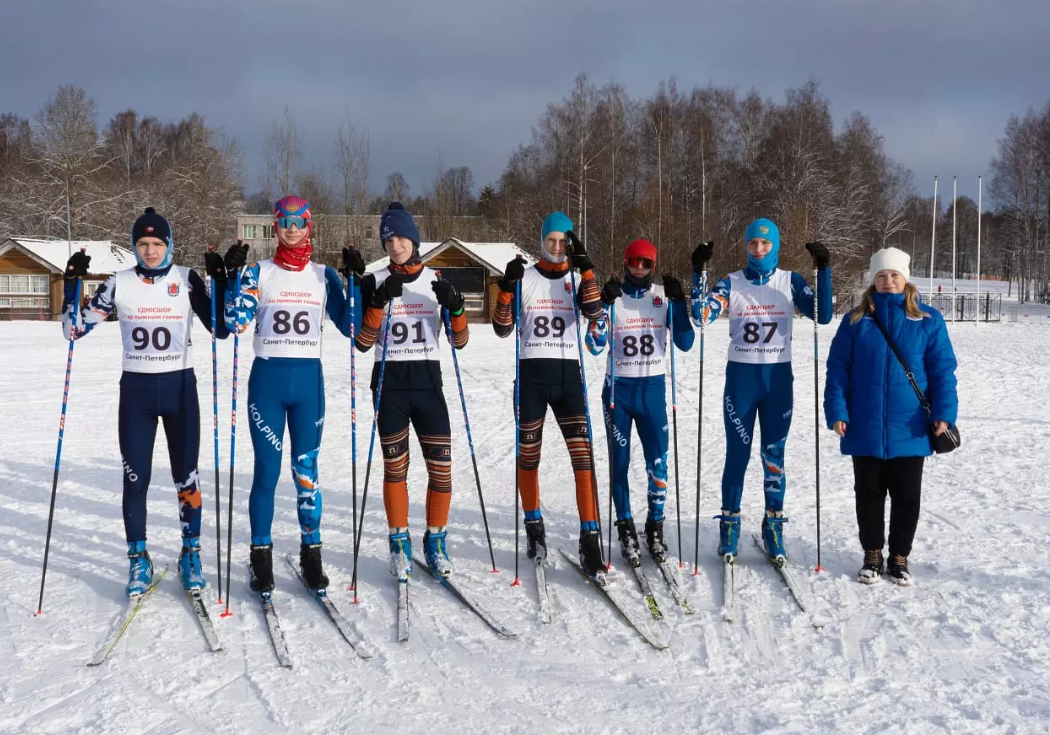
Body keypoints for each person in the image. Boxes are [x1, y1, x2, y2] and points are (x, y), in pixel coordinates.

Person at [61, 207, 228, 596]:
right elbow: (73, 329)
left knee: (186, 476)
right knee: (135, 478)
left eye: (157, 243)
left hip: (180, 390)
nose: (150, 251)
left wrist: (222, 280)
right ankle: (138, 560)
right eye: (142, 244)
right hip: (136, 393)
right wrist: (72, 284)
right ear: (134, 247)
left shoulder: (186, 279)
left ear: (169, 244)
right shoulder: (118, 283)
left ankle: (191, 554)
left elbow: (220, 327)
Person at [222, 195, 359, 592]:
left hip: (307, 385)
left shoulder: (323, 275)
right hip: (267, 382)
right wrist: (232, 277)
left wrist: (355, 283)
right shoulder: (258, 272)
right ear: (275, 226)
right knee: (266, 470)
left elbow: (352, 328)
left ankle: (310, 552)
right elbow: (236, 323)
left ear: (309, 226)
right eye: (286, 222)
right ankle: (260, 556)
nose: (293, 229)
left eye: (300, 222)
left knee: (307, 473)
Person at [690, 219, 832, 564]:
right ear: (746, 246)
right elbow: (700, 316)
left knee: (774, 456)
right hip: (741, 381)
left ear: (776, 245)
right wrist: (698, 273)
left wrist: (823, 270)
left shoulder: (791, 281)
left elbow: (823, 315)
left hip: (777, 382)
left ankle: (773, 526)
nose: (759, 249)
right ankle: (730, 523)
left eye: (765, 244)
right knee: (736, 454)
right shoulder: (732, 282)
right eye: (753, 243)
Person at [824, 247, 958, 586]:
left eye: (894, 275)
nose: (888, 281)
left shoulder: (928, 320)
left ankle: (899, 557)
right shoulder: (855, 321)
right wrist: (837, 410)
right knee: (867, 494)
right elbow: (837, 370)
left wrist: (944, 412)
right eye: (881, 275)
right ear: (873, 280)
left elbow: (943, 371)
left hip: (909, 426)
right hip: (864, 424)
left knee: (907, 496)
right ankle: (872, 554)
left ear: (905, 278)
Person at [353, 202, 469, 579]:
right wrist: (376, 301)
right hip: (390, 386)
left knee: (441, 470)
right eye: (389, 238)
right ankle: (398, 544)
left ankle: (435, 541)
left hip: (427, 384)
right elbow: (363, 342)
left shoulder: (435, 280)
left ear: (414, 239)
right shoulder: (373, 279)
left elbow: (460, 340)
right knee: (396, 469)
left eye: (401, 236)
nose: (395, 244)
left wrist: (455, 307)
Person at [492, 212, 605, 576]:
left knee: (583, 460)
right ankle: (534, 528)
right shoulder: (526, 278)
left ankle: (590, 540)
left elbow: (594, 311)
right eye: (552, 240)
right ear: (542, 241)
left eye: (564, 241)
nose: (557, 247)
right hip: (532, 379)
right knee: (529, 458)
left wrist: (587, 269)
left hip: (569, 377)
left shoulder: (575, 278)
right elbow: (501, 327)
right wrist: (507, 288)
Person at [585, 238, 694, 565]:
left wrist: (679, 302)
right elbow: (593, 344)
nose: (640, 268)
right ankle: (625, 528)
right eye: (635, 262)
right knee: (620, 463)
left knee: (658, 463)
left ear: (653, 266)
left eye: (647, 263)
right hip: (618, 393)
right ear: (626, 263)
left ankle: (654, 527)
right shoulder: (614, 297)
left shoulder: (661, 297)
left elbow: (686, 342)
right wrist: (602, 305)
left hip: (652, 392)